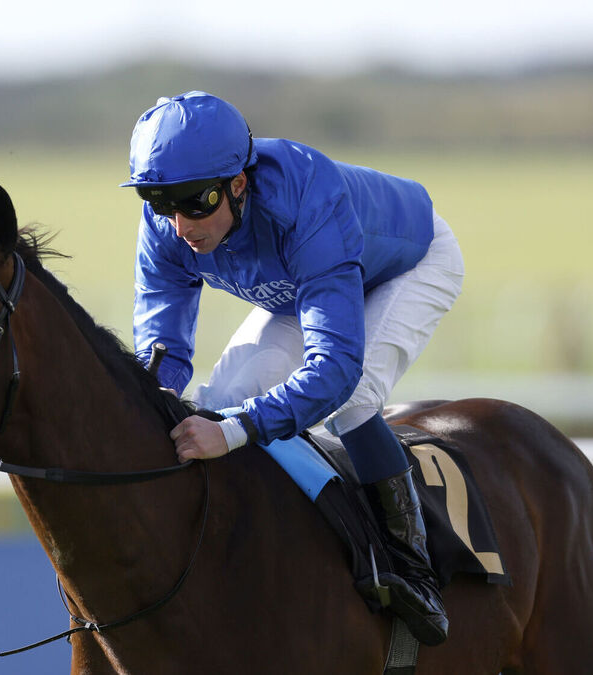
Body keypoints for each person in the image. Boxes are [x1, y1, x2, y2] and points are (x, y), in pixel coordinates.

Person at [122, 91, 463, 646]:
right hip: (304, 283)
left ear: (239, 183)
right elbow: (163, 348)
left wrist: (236, 430)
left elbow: (335, 368)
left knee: (351, 401)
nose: (181, 225)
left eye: (196, 203)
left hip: (408, 264)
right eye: (162, 204)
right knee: (220, 398)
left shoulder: (304, 197)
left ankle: (413, 568)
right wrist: (151, 406)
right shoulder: (168, 223)